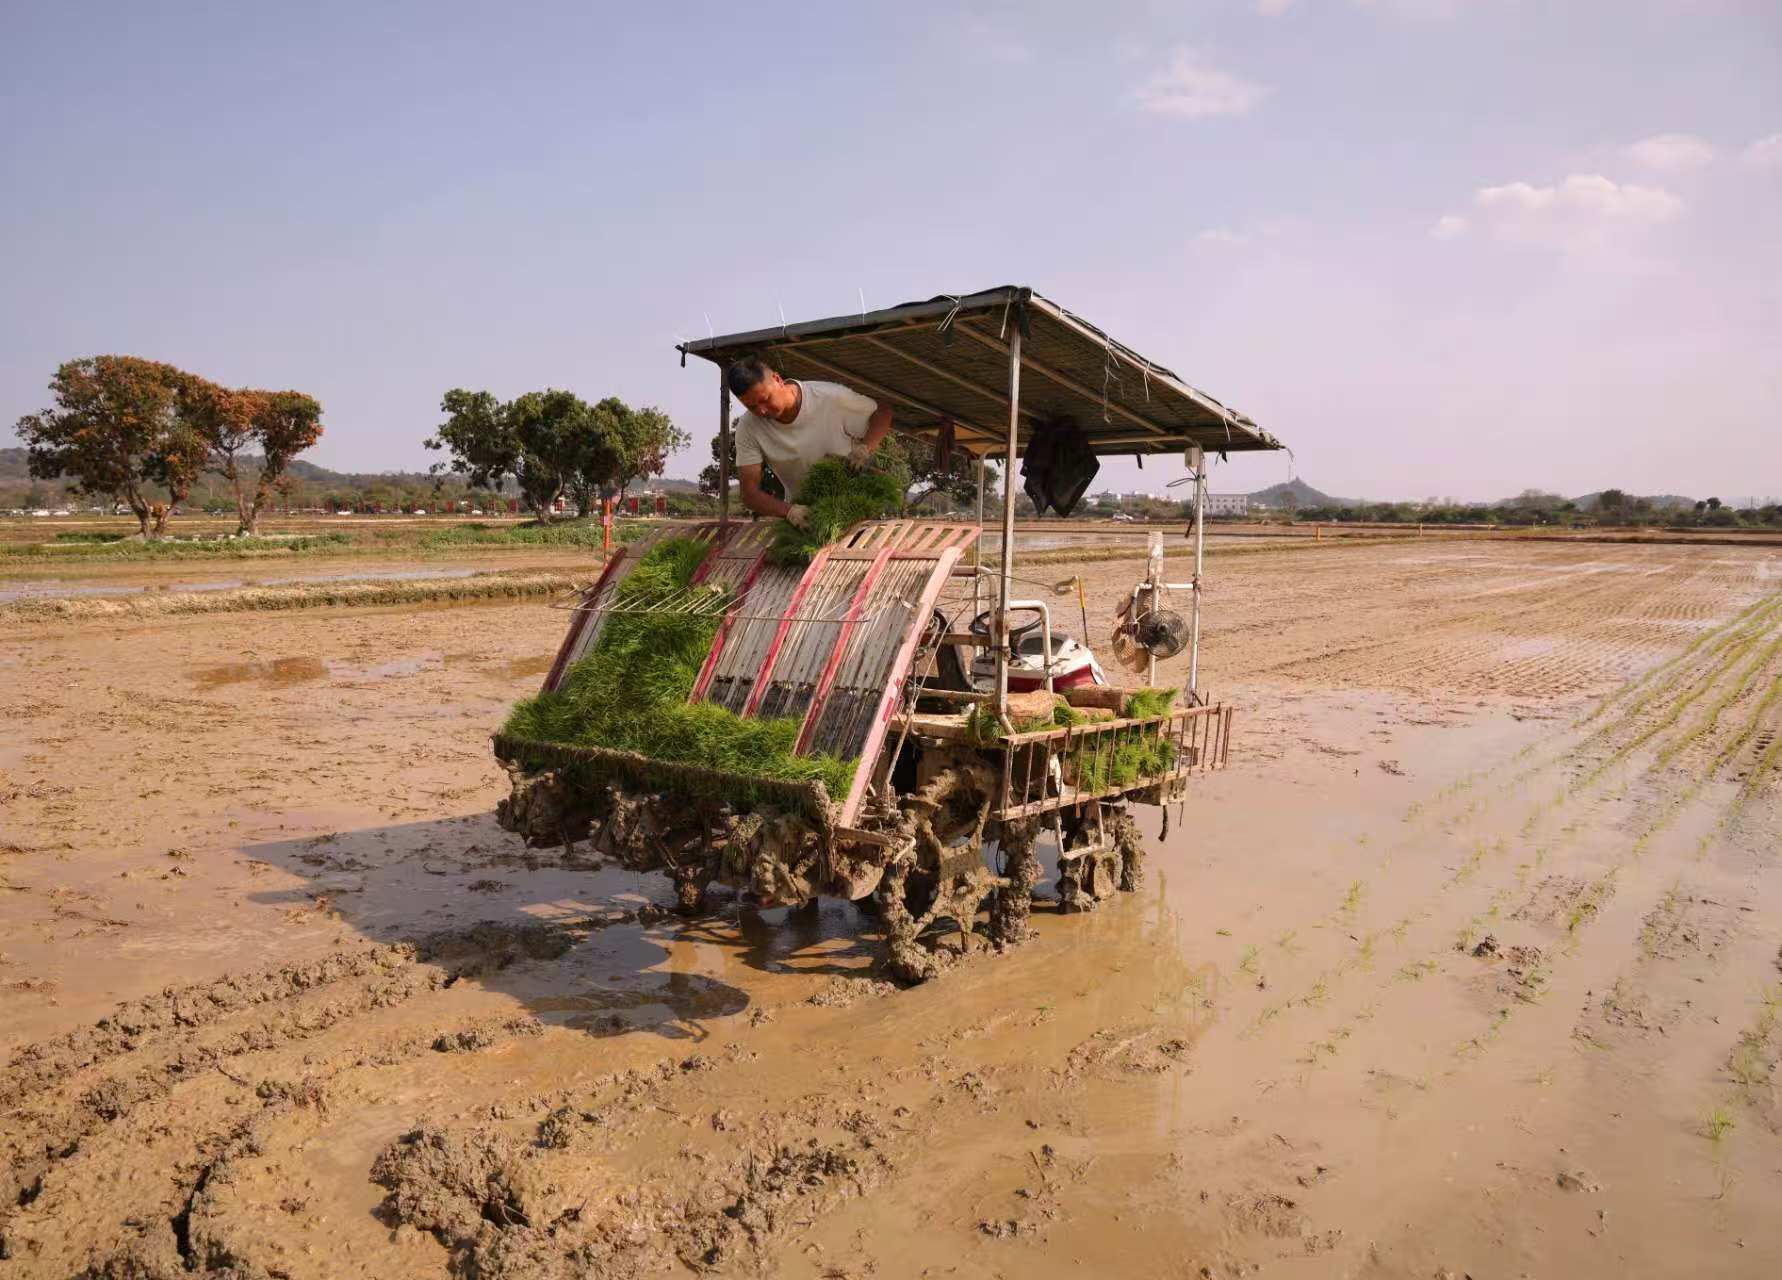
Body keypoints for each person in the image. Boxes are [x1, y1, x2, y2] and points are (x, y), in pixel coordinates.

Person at [726, 355, 893, 527]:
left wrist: (865, 448)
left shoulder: (829, 397)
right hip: (806, 519)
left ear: (777, 379)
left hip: (853, 508)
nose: (761, 411)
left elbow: (882, 413)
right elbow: (750, 494)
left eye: (765, 399)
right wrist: (789, 511)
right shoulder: (748, 428)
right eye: (752, 407)